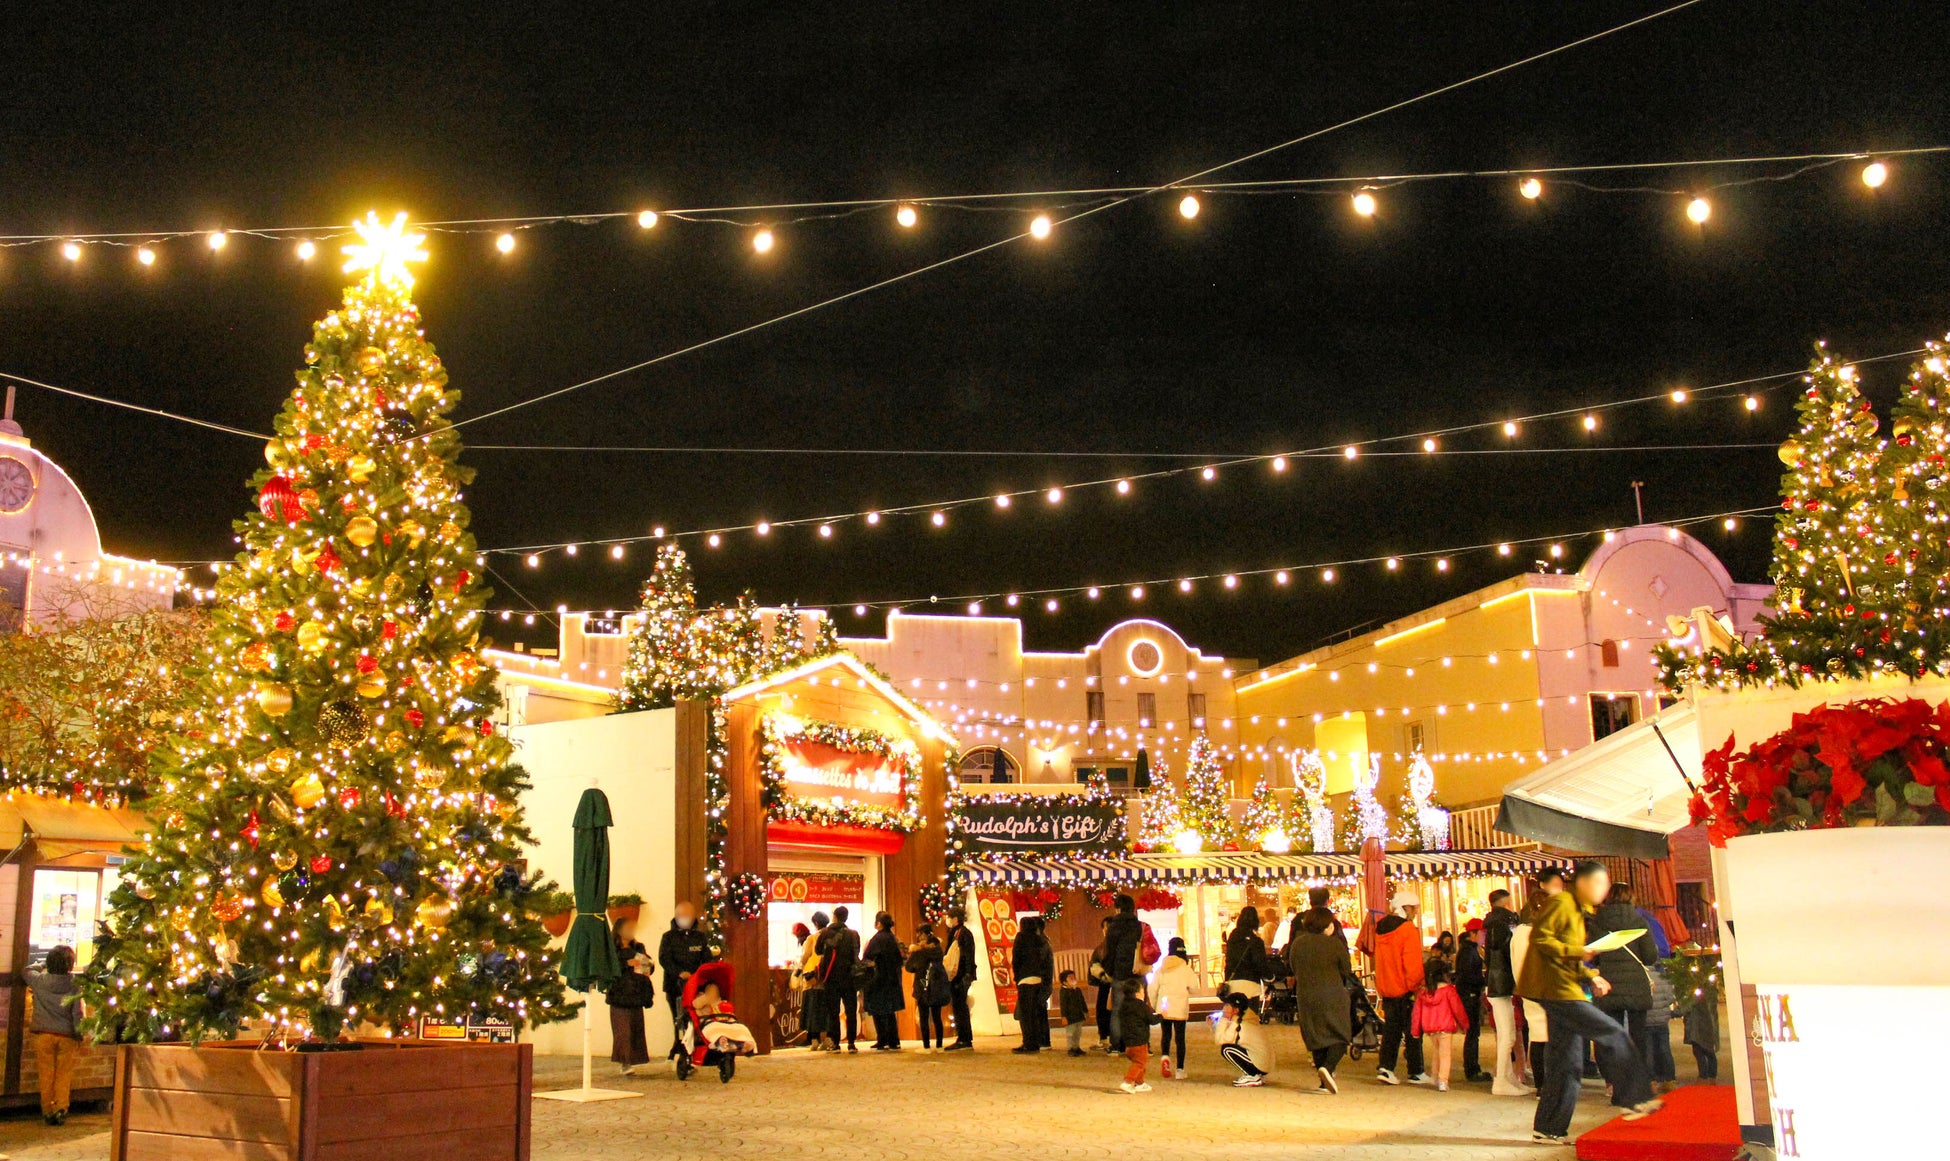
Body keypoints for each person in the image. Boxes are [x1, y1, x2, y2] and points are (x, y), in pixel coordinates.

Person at [1519, 860, 1662, 1146]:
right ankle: (1634, 1099)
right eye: (1600, 883)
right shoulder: (1561, 903)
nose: (1603, 890)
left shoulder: (1577, 910)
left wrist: (1590, 975)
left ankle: (1549, 1128)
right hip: (1556, 989)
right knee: (1613, 1032)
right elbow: (1541, 940)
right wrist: (1580, 952)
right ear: (1583, 883)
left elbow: (1567, 953)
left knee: (1566, 1062)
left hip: (1562, 987)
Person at [1585, 882, 1660, 1084]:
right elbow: (1650, 957)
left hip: (1608, 985)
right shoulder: (1640, 921)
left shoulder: (1598, 923)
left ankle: (1614, 1084)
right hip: (1636, 985)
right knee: (1638, 1037)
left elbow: (1592, 956)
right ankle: (1639, 1082)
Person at [1286, 908, 1355, 1094]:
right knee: (1340, 1034)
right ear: (1326, 925)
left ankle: (1324, 1081)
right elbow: (1346, 970)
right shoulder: (1334, 944)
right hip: (1332, 994)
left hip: (1306, 995)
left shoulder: (1298, 943)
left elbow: (1292, 966)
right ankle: (1329, 1067)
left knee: (1315, 1035)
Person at [1372, 888, 1428, 1085]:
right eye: (1414, 908)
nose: (1416, 912)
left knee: (1391, 1031)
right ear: (1406, 908)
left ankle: (1386, 1067)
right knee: (1413, 1031)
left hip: (1386, 986)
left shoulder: (1380, 929)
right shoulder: (1407, 930)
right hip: (1405, 988)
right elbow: (1412, 964)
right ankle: (1415, 1071)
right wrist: (1417, 985)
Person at [23, 946, 81, 1125]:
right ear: (70, 965)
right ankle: (60, 1109)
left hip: (44, 1034)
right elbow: (77, 1012)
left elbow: (25, 971)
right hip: (67, 1035)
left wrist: (42, 964)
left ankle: (47, 1110)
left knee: (46, 1073)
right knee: (64, 1074)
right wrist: (79, 1033)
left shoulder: (39, 980)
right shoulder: (75, 984)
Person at [1481, 888, 1530, 1096]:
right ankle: (1501, 1080)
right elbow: (1503, 950)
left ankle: (1508, 1077)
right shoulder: (1503, 924)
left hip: (1497, 984)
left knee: (1507, 1033)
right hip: (1501, 985)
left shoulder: (1492, 924)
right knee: (1507, 1034)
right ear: (1506, 902)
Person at [658, 901, 714, 1058]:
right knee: (679, 1018)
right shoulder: (668, 937)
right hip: (674, 986)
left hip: (696, 985)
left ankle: (695, 1046)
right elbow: (664, 959)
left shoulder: (700, 938)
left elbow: (707, 958)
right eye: (680, 915)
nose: (683, 918)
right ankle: (679, 1046)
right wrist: (679, 973)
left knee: (696, 1018)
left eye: (686, 915)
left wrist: (704, 973)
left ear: (693, 916)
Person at [1510, 891, 1551, 1092]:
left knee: (1536, 1036)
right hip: (1546, 989)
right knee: (1550, 1037)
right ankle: (1550, 1084)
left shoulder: (1518, 934)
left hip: (1527, 989)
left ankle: (1541, 1085)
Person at [1411, 959, 1470, 1092]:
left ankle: (1435, 1076)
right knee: (1445, 1054)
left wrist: (1415, 1031)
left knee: (1437, 1052)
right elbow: (1458, 1009)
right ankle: (1443, 1080)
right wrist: (1464, 1025)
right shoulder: (1448, 990)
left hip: (1430, 1028)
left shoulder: (1423, 992)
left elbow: (1416, 1013)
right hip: (1445, 1027)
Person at [606, 917, 655, 1074]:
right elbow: (609, 969)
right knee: (623, 1031)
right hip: (619, 994)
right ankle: (624, 1062)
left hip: (636, 992)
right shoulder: (612, 949)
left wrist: (648, 964)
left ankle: (633, 1059)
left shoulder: (638, 947)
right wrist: (626, 964)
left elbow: (647, 969)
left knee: (635, 1029)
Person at [1151, 936, 1196, 1079]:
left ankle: (1165, 1058)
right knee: (1180, 1038)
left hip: (1164, 1005)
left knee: (1166, 1035)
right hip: (1179, 1006)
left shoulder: (1161, 968)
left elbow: (1152, 989)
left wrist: (1155, 1005)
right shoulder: (1186, 969)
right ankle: (1180, 1070)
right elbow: (1194, 988)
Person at [819, 906, 863, 1052]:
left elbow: (817, 950)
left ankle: (836, 1043)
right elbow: (856, 952)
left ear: (835, 917)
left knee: (833, 1011)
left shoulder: (825, 933)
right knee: (851, 1011)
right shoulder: (853, 934)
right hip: (849, 977)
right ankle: (851, 1043)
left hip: (831, 977)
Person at [862, 911, 906, 1050]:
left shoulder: (877, 939)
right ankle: (893, 1040)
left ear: (879, 923)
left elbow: (868, 957)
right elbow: (900, 959)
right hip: (892, 979)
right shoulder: (893, 938)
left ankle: (882, 1038)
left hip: (878, 979)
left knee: (878, 1010)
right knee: (890, 1011)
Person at [1011, 915, 1055, 1053]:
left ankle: (1028, 1043)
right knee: (1035, 1013)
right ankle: (1037, 1042)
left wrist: (1016, 977)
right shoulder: (1040, 940)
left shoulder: (1021, 938)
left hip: (1025, 978)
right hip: (1038, 979)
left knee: (1026, 1014)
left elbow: (1016, 959)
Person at [1214, 990, 1274, 1088]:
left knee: (1227, 1049)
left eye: (1227, 1005)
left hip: (1262, 1063)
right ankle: (1257, 1075)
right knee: (1229, 1047)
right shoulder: (1247, 1018)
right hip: (1266, 1063)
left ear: (1236, 1010)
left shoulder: (1240, 1024)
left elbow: (1221, 1040)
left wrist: (1223, 1019)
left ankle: (1252, 1075)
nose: (1224, 1008)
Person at [906, 922, 951, 1052]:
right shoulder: (938, 949)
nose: (918, 936)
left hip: (922, 984)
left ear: (924, 934)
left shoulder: (918, 951)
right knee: (937, 1017)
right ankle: (939, 1045)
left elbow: (909, 967)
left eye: (919, 933)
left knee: (924, 1017)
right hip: (936, 984)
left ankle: (926, 1046)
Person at [1455, 917, 1487, 1082]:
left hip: (1468, 994)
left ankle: (1473, 1068)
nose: (1484, 936)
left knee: (1473, 1033)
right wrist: (1484, 980)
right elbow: (1468, 976)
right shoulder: (1469, 951)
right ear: (1473, 933)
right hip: (1469, 995)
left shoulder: (1469, 949)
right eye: (1482, 933)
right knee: (1473, 1033)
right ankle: (1472, 1069)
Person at [942, 907, 978, 1050]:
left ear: (955, 919)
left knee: (960, 1006)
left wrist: (967, 974)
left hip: (960, 975)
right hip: (960, 974)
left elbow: (966, 955)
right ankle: (963, 1037)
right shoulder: (961, 933)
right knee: (959, 1006)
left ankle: (964, 1038)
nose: (947, 920)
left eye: (949, 917)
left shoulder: (960, 933)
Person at [1223, 906, 1276, 999]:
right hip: (1250, 984)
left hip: (1232, 984)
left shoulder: (1232, 938)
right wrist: (1270, 977)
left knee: (1234, 1012)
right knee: (1249, 1013)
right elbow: (1260, 962)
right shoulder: (1256, 941)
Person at [800, 910, 835, 1051]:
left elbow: (805, 957)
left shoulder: (812, 938)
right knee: (827, 1009)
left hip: (813, 977)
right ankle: (828, 1039)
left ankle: (814, 1040)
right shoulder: (832, 936)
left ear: (815, 923)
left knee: (812, 1009)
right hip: (827, 976)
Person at [1113, 976, 1154, 1094]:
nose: (1144, 993)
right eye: (1142, 990)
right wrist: (1162, 1016)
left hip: (1128, 1041)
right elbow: (1151, 1019)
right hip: (1139, 1039)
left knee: (1140, 1062)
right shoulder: (1141, 1006)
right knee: (1140, 1062)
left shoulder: (1123, 1005)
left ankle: (1140, 1083)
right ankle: (1127, 1082)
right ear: (1137, 993)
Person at [1089, 918, 1116, 1051]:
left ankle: (1114, 1039)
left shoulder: (1118, 944)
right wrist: (1101, 975)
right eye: (1105, 928)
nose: (1106, 930)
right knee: (1101, 1008)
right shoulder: (1101, 947)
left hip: (1118, 982)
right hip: (1105, 981)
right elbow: (1095, 962)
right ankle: (1104, 1037)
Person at [1058, 968, 1090, 1056]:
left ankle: (1077, 1047)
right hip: (1070, 1017)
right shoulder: (1064, 992)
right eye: (1070, 978)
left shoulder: (1077, 990)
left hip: (1078, 1016)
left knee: (1078, 1033)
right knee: (1070, 1034)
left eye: (1074, 977)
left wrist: (1086, 1011)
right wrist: (1063, 1017)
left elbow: (1082, 1001)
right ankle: (1071, 1048)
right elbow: (1063, 1005)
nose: (1073, 979)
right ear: (1064, 982)